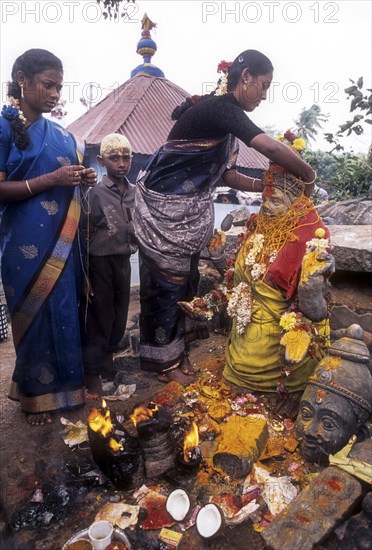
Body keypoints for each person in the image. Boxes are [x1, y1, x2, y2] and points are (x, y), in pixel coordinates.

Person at [133, 49, 316, 385]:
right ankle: (164, 364)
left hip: (188, 215)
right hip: (165, 211)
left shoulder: (223, 119)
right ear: (244, 77)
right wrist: (307, 174)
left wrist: (265, 186)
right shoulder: (221, 108)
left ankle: (179, 353)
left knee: (185, 283)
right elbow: (270, 148)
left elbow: (227, 176)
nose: (264, 95)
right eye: (263, 86)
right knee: (165, 287)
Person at [0, 49, 97, 426]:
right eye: (48, 85)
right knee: (35, 316)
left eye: (58, 86)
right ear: (22, 80)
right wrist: (50, 181)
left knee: (63, 314)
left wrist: (82, 179)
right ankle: (36, 398)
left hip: (63, 243)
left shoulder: (62, 134)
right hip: (24, 245)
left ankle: (67, 391)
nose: (56, 93)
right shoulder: (5, 127)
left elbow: (70, 177)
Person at [80, 133, 138, 396]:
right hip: (99, 263)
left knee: (119, 316)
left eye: (126, 158)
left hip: (123, 261)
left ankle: (107, 364)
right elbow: (83, 234)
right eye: (114, 158)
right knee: (99, 317)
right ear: (102, 161)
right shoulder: (95, 194)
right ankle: (91, 374)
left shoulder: (135, 192)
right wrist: (85, 275)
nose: (121, 163)